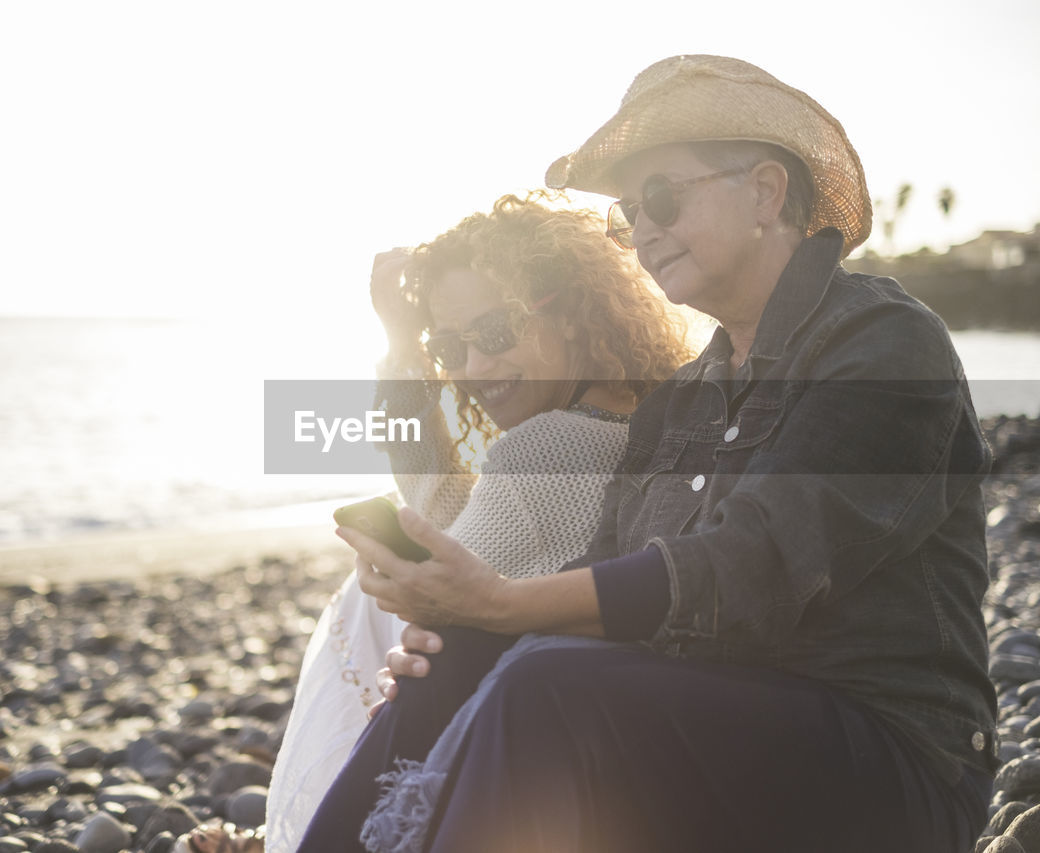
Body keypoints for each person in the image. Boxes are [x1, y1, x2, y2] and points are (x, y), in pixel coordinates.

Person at [330, 55, 999, 853]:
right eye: (627, 214)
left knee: (543, 678)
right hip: (718, 720)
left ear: (764, 192)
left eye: (660, 197)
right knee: (458, 661)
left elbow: (755, 564)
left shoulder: (884, 342)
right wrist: (467, 635)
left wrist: (504, 604)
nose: (643, 229)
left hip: (894, 762)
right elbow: (608, 581)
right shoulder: (678, 402)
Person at [245, 193, 688, 853]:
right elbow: (462, 520)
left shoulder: (544, 450)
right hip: (615, 726)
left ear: (568, 311)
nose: (474, 368)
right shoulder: (648, 415)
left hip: (533, 731)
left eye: (497, 331)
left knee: (370, 605)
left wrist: (401, 347)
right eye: (450, 346)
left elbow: (438, 551)